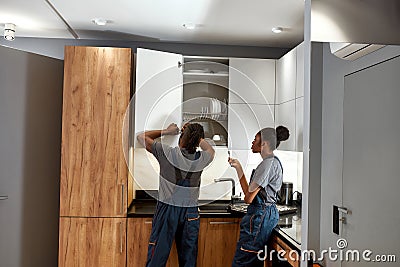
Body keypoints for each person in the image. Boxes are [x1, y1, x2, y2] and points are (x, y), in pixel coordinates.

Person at [137, 122, 215, 267]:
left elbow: (142, 137)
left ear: (181, 138)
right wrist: (196, 134)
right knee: (188, 261)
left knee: (156, 259)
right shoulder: (201, 159)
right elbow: (211, 150)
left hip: (167, 211)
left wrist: (166, 131)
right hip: (190, 214)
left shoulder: (166, 153)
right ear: (198, 141)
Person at [228, 126, 289, 267]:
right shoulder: (271, 162)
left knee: (242, 262)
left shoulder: (267, 165)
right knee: (250, 260)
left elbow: (248, 199)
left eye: (255, 139)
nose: (252, 142)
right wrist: (238, 167)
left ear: (264, 144)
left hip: (260, 215)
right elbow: (248, 194)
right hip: (262, 214)